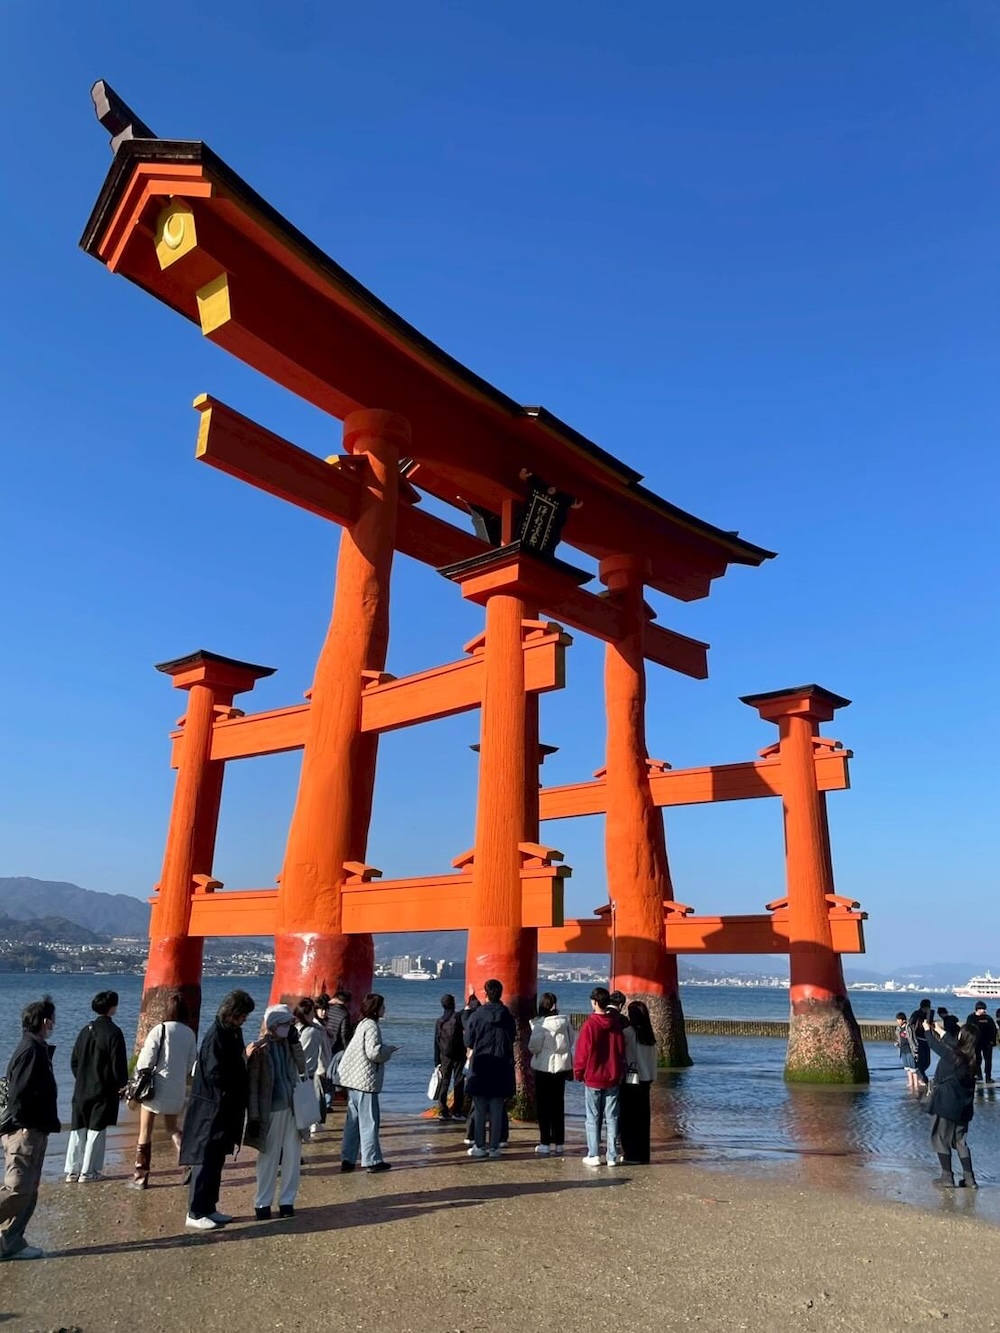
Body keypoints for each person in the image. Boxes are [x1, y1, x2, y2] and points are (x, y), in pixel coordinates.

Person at [179, 988, 254, 1230]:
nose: (244, 1020)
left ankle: (209, 1206)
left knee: (217, 1157)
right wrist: (240, 1066)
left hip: (226, 1107)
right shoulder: (216, 1036)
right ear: (232, 1013)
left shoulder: (232, 1033)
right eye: (242, 1015)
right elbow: (213, 1073)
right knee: (205, 1157)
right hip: (211, 1106)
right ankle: (196, 1210)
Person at [0, 996, 59, 1261]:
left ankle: (11, 1242)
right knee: (17, 1190)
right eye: (52, 1019)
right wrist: (24, 1126)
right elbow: (17, 1097)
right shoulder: (30, 1051)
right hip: (24, 1131)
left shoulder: (37, 1049)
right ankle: (10, 1241)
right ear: (45, 1021)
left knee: (30, 1192)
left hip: (36, 1129)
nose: (54, 1024)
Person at [128, 991, 198, 1189]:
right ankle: (187, 1164)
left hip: (154, 1089)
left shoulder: (160, 1030)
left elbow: (146, 1060)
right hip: (176, 1088)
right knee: (173, 1128)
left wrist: (136, 1077)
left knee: (145, 1131)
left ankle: (140, 1177)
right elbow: (191, 1063)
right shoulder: (189, 1033)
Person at [246, 1005, 307, 1219]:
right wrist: (253, 1114)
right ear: (272, 1025)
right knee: (268, 1156)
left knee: (293, 1154)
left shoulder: (289, 1043)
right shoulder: (260, 1048)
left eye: (289, 1024)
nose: (287, 1027)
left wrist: (295, 1043)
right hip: (271, 1108)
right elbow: (252, 1083)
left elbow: (302, 1067)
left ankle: (287, 1201)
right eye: (283, 1024)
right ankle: (262, 1202)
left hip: (293, 1105)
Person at [64, 990, 128, 1183]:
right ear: (112, 1008)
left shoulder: (85, 1030)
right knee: (96, 1130)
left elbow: (74, 1060)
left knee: (78, 1129)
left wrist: (81, 1077)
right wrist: (122, 1085)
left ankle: (72, 1171)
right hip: (103, 1088)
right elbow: (118, 1064)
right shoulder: (114, 1032)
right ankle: (88, 1171)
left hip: (82, 1088)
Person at [337, 993, 398, 1173]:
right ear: (376, 1008)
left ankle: (347, 1158)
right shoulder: (372, 1026)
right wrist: (388, 1050)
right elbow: (373, 1053)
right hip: (365, 1080)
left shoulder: (361, 1023)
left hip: (354, 1079)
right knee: (369, 1121)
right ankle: (372, 1160)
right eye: (383, 1006)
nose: (385, 1009)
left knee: (353, 1122)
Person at [463, 978, 516, 1160]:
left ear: (485, 993)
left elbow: (468, 1041)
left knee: (479, 1109)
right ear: (500, 994)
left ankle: (479, 1145)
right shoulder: (507, 1016)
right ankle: (494, 1147)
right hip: (501, 1067)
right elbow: (513, 1037)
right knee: (496, 1108)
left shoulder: (477, 1015)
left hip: (481, 1065)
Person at [573, 986, 625, 1167]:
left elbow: (582, 1053)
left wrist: (578, 1073)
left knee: (593, 1117)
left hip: (593, 1076)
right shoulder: (616, 1024)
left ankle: (594, 1153)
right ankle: (612, 1155)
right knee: (612, 1118)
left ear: (595, 1002)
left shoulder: (590, 1025)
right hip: (612, 1076)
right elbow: (620, 1051)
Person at [925, 1023, 978, 1187]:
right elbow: (954, 1044)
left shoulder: (954, 1056)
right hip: (964, 1107)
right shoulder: (972, 1057)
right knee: (960, 1141)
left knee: (940, 1138)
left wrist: (927, 1030)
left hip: (946, 1104)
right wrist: (940, 1031)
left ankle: (947, 1176)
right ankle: (969, 1179)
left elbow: (934, 1045)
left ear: (963, 1037)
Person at [527, 992, 575, 1155]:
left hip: (544, 1068)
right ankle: (559, 1142)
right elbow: (571, 1041)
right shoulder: (565, 1021)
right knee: (558, 1104)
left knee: (543, 1106)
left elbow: (533, 1047)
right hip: (561, 1068)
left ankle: (545, 1141)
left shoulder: (541, 1024)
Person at [620, 999, 657, 1165]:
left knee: (628, 1118)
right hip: (646, 1079)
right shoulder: (649, 1035)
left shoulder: (628, 1032)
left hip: (631, 1078)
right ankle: (643, 1154)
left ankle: (630, 1153)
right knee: (643, 1119)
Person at [294, 997, 331, 1137]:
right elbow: (321, 1051)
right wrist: (323, 1067)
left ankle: (308, 1128)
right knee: (312, 1100)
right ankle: (311, 1126)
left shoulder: (295, 1029)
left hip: (296, 1072)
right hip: (308, 1072)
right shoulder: (314, 1031)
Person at [434, 994, 467, 1119]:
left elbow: (436, 1042)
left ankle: (442, 1110)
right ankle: (457, 1111)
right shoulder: (458, 1017)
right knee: (458, 1081)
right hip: (459, 1054)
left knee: (444, 1081)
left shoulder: (440, 1021)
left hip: (445, 1055)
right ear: (453, 1004)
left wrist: (436, 1060)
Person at [964, 1002, 998, 1083]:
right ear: (977, 1009)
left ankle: (988, 1077)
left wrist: (993, 1041)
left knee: (988, 1060)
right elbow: (968, 1029)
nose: (984, 1010)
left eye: (984, 1008)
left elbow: (993, 1029)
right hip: (976, 1042)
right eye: (982, 1008)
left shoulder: (988, 1018)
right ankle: (979, 1075)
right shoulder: (971, 1018)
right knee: (977, 1059)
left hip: (987, 1043)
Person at [907, 1002, 932, 1088]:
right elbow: (910, 1025)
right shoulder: (917, 1014)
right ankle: (922, 1078)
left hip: (926, 1039)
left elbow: (929, 1024)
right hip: (919, 1039)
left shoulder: (929, 1014)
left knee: (927, 1061)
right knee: (921, 1061)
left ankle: (920, 1075)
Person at [894, 1011, 918, 1091]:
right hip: (902, 1050)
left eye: (899, 1019)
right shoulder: (898, 1028)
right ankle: (910, 1082)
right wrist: (897, 1043)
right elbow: (898, 1039)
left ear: (903, 1020)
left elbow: (913, 1038)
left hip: (910, 1050)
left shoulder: (909, 1027)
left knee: (913, 1068)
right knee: (907, 1068)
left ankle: (916, 1084)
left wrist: (916, 1048)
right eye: (897, 1019)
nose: (897, 1021)